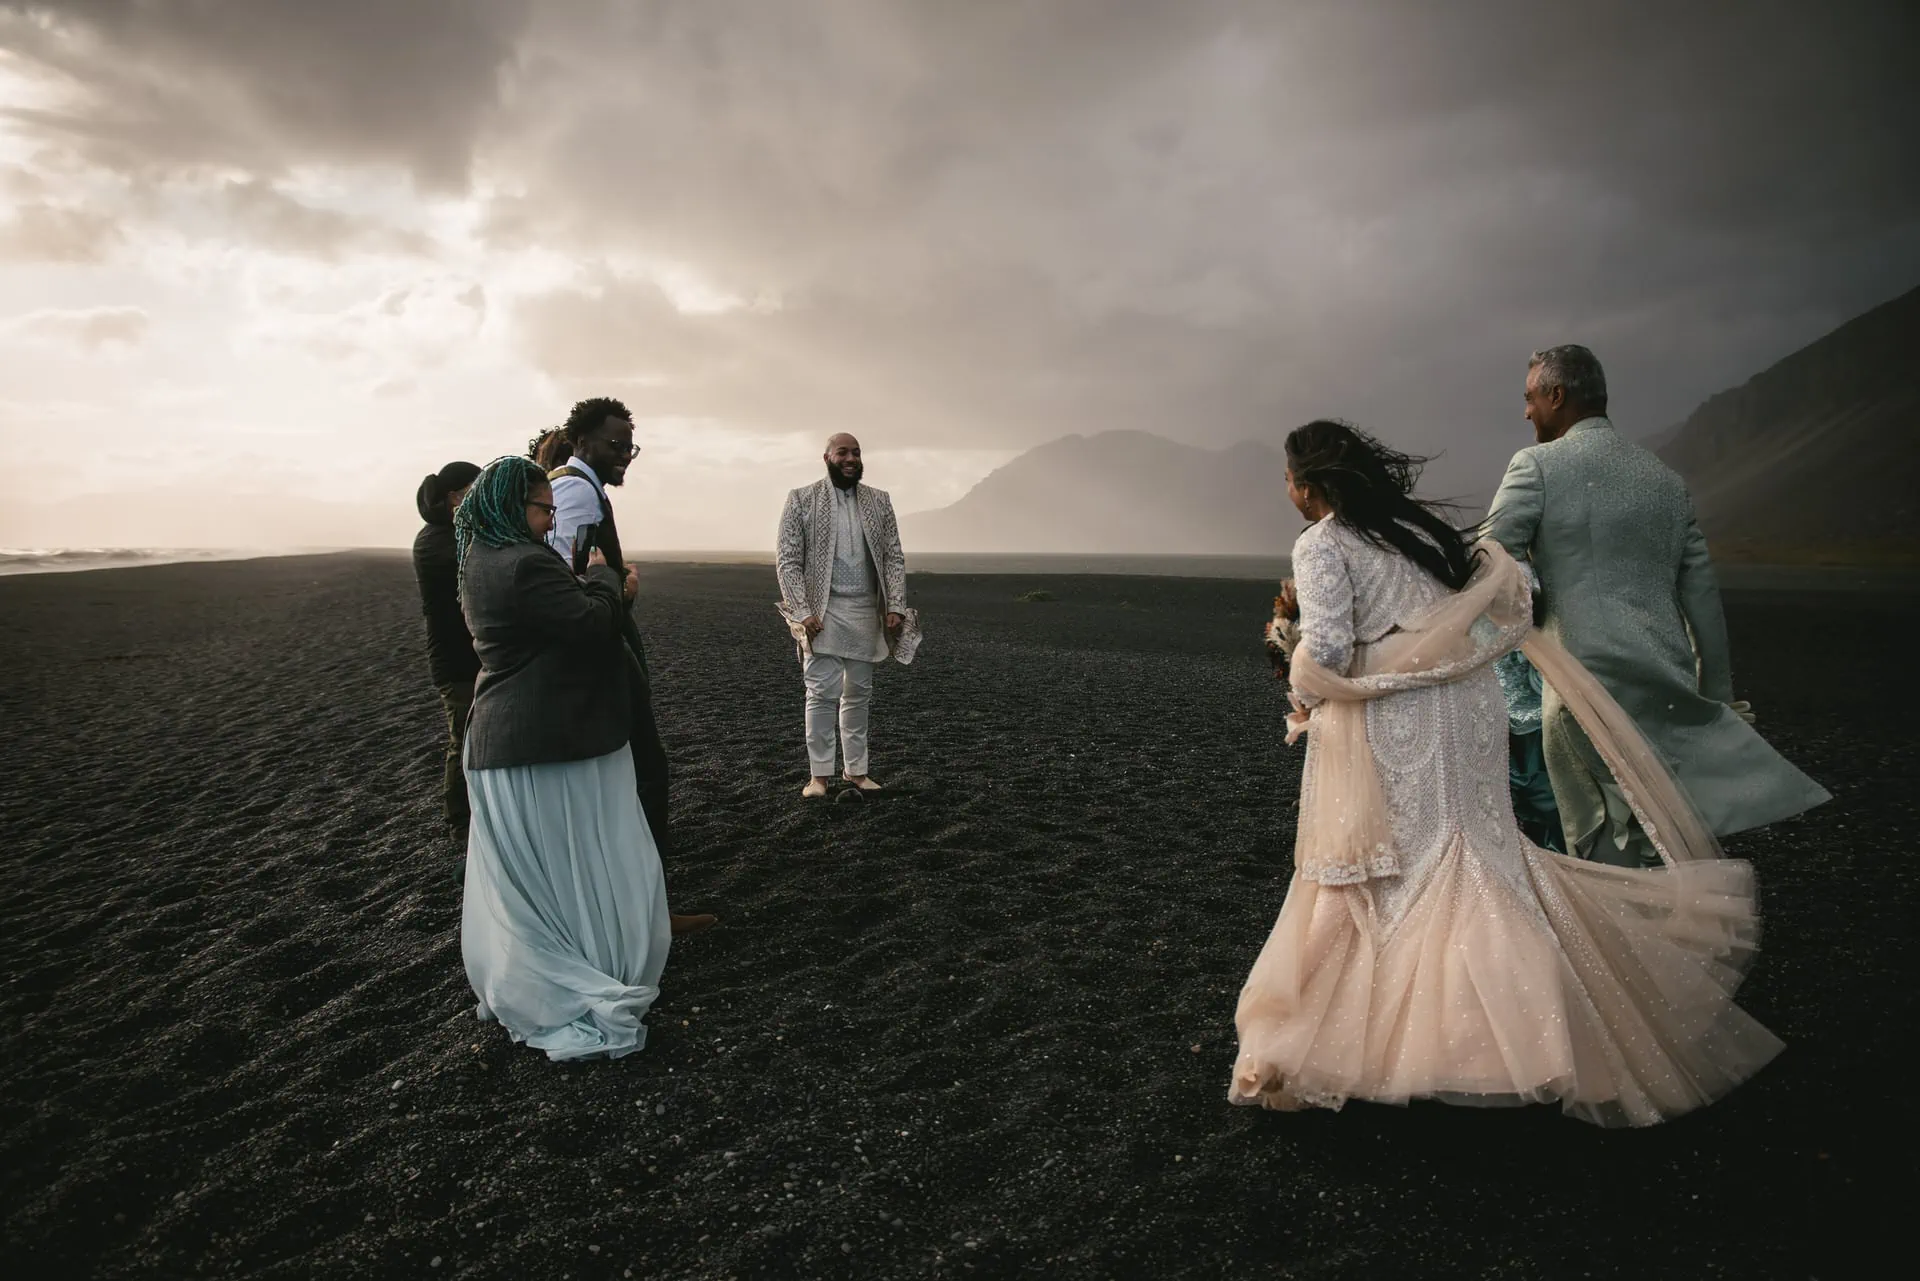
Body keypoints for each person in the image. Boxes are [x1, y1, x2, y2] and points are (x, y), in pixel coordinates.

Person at [1229, 420, 1781, 1127]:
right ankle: (1523, 1019)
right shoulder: (1416, 532)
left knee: (1409, 864)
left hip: (1402, 717)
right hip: (1468, 702)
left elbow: (1332, 645)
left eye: (1286, 479)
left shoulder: (1323, 543)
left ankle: (1462, 1042)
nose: (1287, 492)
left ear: (1307, 483)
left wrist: (1302, 685)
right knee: (1480, 850)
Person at [1483, 345, 1829, 867]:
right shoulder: (1665, 480)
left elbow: (1487, 562)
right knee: (1660, 850)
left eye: (1531, 398)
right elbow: (1703, 602)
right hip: (1666, 692)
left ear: (1557, 396)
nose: (1527, 412)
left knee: (1599, 860)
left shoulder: (1537, 466)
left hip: (1583, 697)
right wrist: (1718, 701)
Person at [454, 456, 706, 1061]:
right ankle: (585, 975)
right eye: (544, 509)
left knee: (539, 879)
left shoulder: (477, 562)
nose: (549, 523)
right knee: (586, 861)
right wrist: (603, 579)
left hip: (502, 741)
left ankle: (543, 973)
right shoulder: (524, 562)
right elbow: (592, 626)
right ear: (516, 507)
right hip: (548, 740)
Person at [542, 397, 673, 856]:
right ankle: (647, 893)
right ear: (581, 442)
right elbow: (567, 579)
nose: (623, 455)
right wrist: (623, 585)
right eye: (616, 444)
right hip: (597, 646)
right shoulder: (577, 490)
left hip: (593, 643)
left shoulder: (570, 486)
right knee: (647, 770)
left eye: (630, 448)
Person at [775, 433, 921, 798]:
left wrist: (895, 606)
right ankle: (818, 778)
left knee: (858, 694)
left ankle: (857, 772)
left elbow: (893, 556)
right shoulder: (801, 499)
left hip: (864, 611)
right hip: (820, 614)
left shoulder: (879, 501)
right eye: (843, 452)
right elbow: (788, 561)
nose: (851, 458)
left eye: (856, 452)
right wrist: (803, 611)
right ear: (827, 457)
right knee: (821, 693)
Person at [412, 460, 483, 839]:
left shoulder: (449, 533)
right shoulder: (436, 540)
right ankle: (458, 819)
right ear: (456, 495)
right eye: (476, 489)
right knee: (463, 738)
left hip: (465, 655)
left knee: (471, 734)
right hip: (455, 660)